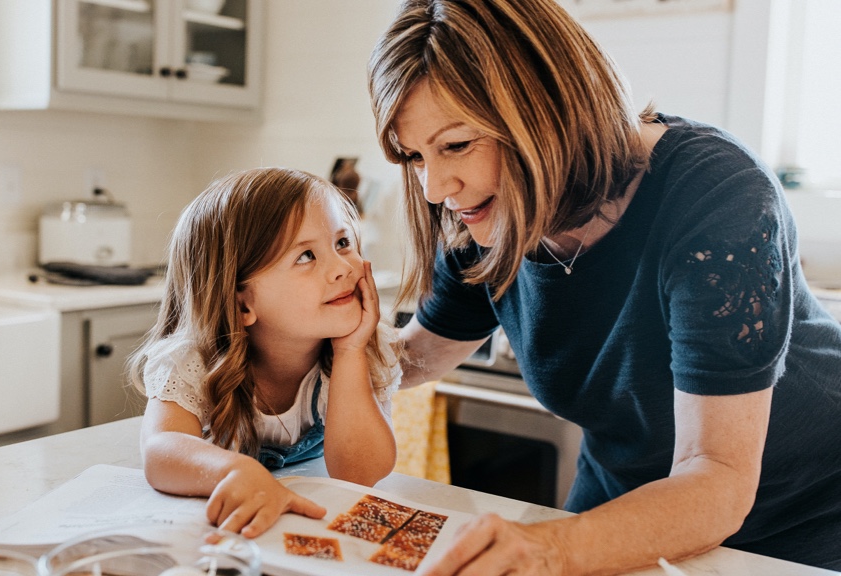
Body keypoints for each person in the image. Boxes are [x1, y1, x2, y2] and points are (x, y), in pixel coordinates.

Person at [367, 0, 841, 573]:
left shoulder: (719, 196)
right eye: (414, 156)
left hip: (804, 507)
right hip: (631, 487)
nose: (436, 187)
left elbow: (716, 476)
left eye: (458, 144)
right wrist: (308, 344)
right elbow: (415, 358)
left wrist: (552, 548)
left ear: (546, 107)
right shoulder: (481, 216)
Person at [129, 167, 401, 539]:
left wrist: (351, 351)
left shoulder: (366, 350)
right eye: (306, 256)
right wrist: (232, 471)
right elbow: (161, 452)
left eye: (342, 243)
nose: (343, 268)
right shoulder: (193, 361)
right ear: (242, 305)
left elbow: (360, 475)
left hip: (311, 519)